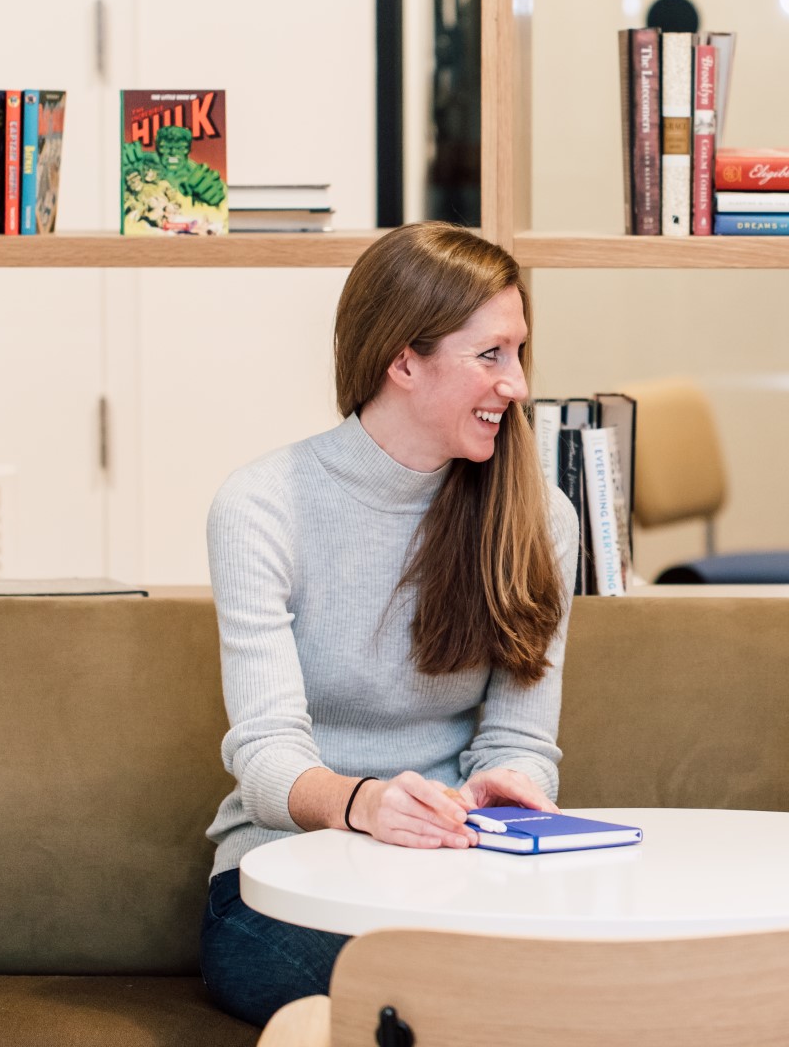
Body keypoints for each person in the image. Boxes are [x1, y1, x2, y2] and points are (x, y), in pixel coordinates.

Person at [198, 224, 578, 1026]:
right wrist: (366, 804)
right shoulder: (263, 506)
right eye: (490, 355)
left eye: (519, 353)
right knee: (422, 1000)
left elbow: (521, 741)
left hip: (460, 873)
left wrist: (508, 791)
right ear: (403, 362)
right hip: (286, 874)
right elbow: (266, 760)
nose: (516, 385)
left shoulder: (540, 517)